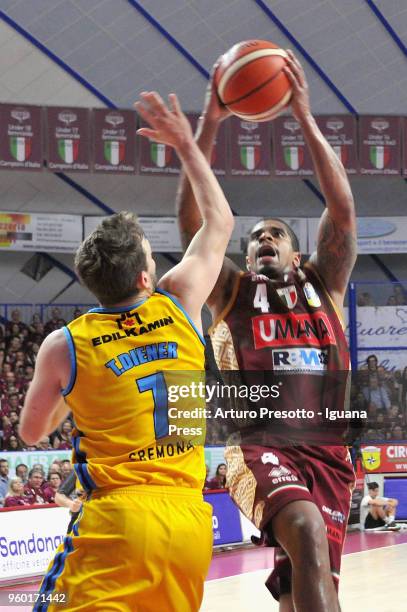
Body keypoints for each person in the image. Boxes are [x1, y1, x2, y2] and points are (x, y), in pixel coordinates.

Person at [19, 90, 234, 612]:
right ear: (144, 276)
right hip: (188, 522)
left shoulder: (65, 345)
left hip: (117, 521)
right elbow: (219, 222)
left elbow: (31, 431)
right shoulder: (180, 304)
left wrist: (84, 393)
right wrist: (187, 144)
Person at [176, 50, 357, 612]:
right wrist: (209, 123)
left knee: (309, 584)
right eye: (254, 237)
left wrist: (303, 115)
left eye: (275, 234)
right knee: (303, 535)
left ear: (297, 250)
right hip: (260, 445)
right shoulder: (230, 291)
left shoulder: (324, 281)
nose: (264, 241)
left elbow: (343, 209)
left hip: (329, 451)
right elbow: (193, 222)